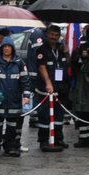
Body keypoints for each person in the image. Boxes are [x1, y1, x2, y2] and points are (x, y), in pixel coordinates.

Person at [30, 24, 70, 153]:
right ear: (47, 35)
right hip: (46, 88)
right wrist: (48, 83)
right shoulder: (42, 50)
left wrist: (67, 53)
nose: (54, 37)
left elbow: (68, 63)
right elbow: (42, 67)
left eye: (56, 35)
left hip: (60, 87)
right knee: (45, 115)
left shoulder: (61, 48)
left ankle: (58, 138)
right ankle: (43, 140)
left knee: (59, 115)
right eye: (52, 34)